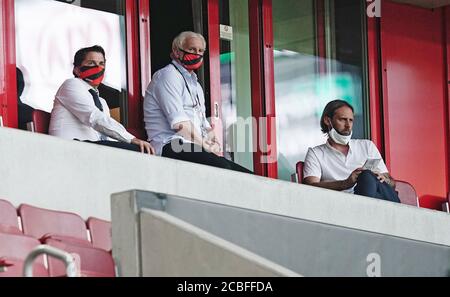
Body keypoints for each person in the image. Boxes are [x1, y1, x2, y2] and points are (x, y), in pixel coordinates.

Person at [143, 31, 252, 173]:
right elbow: (179, 124)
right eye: (192, 49)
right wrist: (206, 145)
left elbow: (203, 123)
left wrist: (214, 142)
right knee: (223, 169)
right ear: (176, 52)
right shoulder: (167, 76)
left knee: (245, 174)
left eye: (201, 51)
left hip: (193, 146)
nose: (197, 54)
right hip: (170, 144)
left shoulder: (196, 84)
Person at [49, 45, 154, 154]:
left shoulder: (102, 102)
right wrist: (131, 139)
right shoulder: (71, 84)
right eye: (91, 63)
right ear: (77, 70)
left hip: (91, 150)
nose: (98, 68)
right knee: (137, 150)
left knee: (138, 150)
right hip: (69, 148)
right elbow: (94, 117)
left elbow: (106, 132)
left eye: (101, 64)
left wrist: (127, 141)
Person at [303, 99, 400, 203]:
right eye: (343, 119)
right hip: (344, 204)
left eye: (351, 120)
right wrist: (345, 183)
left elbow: (392, 184)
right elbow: (310, 187)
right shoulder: (315, 153)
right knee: (365, 176)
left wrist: (383, 179)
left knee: (368, 176)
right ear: (327, 121)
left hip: (379, 199)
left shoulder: (367, 145)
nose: (348, 126)